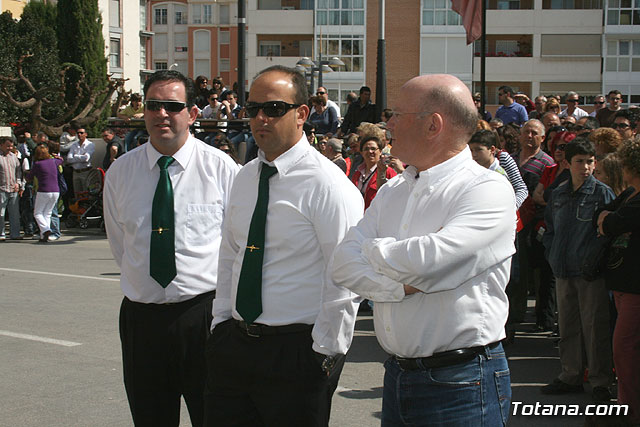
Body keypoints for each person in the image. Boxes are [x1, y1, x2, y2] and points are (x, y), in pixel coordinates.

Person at [332, 74, 515, 426]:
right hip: (399, 375)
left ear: (433, 125)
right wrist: (398, 287)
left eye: (398, 114)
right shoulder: (393, 190)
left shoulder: (487, 189)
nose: (389, 123)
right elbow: (342, 264)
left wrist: (372, 251)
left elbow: (431, 261)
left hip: (462, 382)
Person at [204, 65, 363, 427]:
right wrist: (221, 323)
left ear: (302, 114)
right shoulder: (244, 177)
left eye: (274, 109)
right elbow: (232, 254)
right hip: (234, 346)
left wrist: (325, 353)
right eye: (253, 108)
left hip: (296, 351)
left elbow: (345, 275)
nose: (261, 118)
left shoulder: (328, 185)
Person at [103, 70, 239, 427]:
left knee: (212, 417)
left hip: (203, 317)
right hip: (141, 320)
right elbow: (121, 245)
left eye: (173, 106)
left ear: (192, 114)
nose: (162, 113)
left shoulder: (221, 168)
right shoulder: (120, 172)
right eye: (153, 105)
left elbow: (235, 245)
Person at [542, 137, 615, 403]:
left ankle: (600, 381)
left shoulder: (603, 193)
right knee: (568, 326)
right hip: (562, 269)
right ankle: (570, 375)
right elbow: (549, 228)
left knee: (595, 327)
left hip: (590, 272)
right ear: (567, 163)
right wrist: (552, 253)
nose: (585, 167)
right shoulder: (558, 193)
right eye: (579, 162)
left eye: (590, 161)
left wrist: (595, 259)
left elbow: (609, 233)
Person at [595, 138, 640, 424]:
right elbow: (599, 217)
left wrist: (605, 220)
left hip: (635, 288)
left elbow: (610, 223)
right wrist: (604, 219)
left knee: (623, 349)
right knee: (625, 349)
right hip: (623, 285)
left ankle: (631, 411)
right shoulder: (632, 195)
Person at [26, 144, 63, 243]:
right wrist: (56, 156)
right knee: (47, 213)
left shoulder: (38, 164)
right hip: (55, 190)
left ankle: (46, 230)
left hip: (44, 190)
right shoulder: (54, 162)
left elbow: (29, 177)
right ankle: (44, 235)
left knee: (37, 213)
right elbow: (61, 160)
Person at [351, 135, 397, 211]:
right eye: (366, 149)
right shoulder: (357, 173)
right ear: (362, 153)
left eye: (373, 149)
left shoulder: (388, 172)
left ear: (380, 151)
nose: (370, 151)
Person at [0, 137, 24, 241]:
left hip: (13, 189)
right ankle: (1, 234)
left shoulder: (13, 157)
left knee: (14, 214)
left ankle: (15, 234)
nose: (10, 148)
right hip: (2, 189)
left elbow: (18, 171)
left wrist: (18, 183)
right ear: (1, 145)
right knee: (1, 213)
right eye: (8, 146)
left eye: (11, 146)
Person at [66, 127, 94, 199]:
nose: (79, 134)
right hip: (75, 172)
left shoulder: (90, 145)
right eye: (78, 133)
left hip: (85, 171)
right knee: (77, 193)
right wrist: (80, 157)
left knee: (86, 193)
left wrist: (75, 156)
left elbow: (86, 158)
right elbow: (69, 159)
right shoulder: (74, 145)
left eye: (81, 133)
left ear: (86, 134)